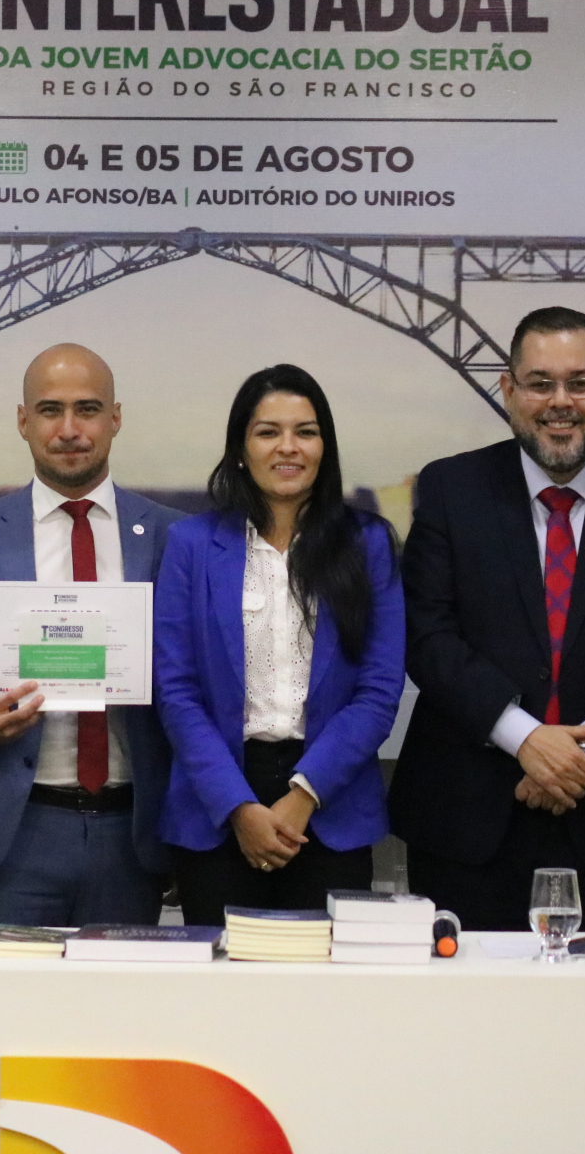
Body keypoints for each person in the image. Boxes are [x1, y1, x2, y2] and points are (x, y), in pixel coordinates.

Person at [389, 306, 585, 932]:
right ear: (509, 390)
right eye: (540, 383)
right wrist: (526, 739)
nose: (561, 402)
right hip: (469, 820)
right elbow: (427, 637)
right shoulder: (450, 489)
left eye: (579, 383)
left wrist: (581, 752)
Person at [0, 344, 184, 926]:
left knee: (120, 990)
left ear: (115, 418)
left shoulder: (173, 536)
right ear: (23, 421)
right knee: (5, 989)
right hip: (12, 832)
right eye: (50, 410)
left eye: (88, 409)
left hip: (133, 834)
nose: (69, 429)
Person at [154, 366, 405, 923]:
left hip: (330, 806)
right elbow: (176, 691)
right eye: (268, 432)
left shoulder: (368, 545)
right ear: (241, 449)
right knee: (222, 974)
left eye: (305, 432)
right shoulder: (191, 545)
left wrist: (304, 795)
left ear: (324, 447)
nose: (288, 447)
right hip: (217, 804)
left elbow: (379, 691)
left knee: (325, 977)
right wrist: (238, 806)